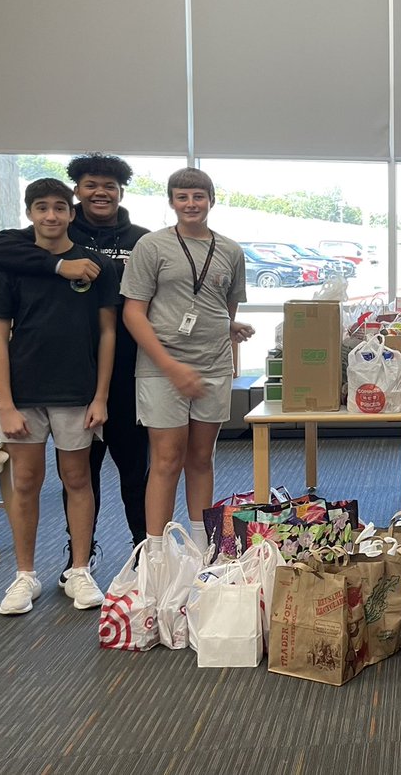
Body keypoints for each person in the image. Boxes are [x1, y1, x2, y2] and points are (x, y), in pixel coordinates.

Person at [0, 154, 151, 584]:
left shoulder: (141, 240)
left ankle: (145, 552)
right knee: (77, 473)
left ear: (121, 192)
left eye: (109, 186)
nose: (100, 192)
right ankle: (80, 559)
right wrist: (59, 264)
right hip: (64, 377)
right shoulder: (53, 232)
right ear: (77, 192)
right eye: (91, 184)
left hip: (126, 372)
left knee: (135, 469)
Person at [120, 168, 254, 558]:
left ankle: (201, 545)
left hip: (212, 367)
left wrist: (230, 326)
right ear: (171, 202)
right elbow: (133, 313)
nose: (191, 204)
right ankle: (157, 552)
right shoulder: (152, 246)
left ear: (211, 199)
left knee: (201, 457)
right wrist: (171, 366)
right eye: (182, 197)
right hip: (161, 368)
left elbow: (223, 306)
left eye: (198, 196)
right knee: (167, 459)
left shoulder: (231, 250)